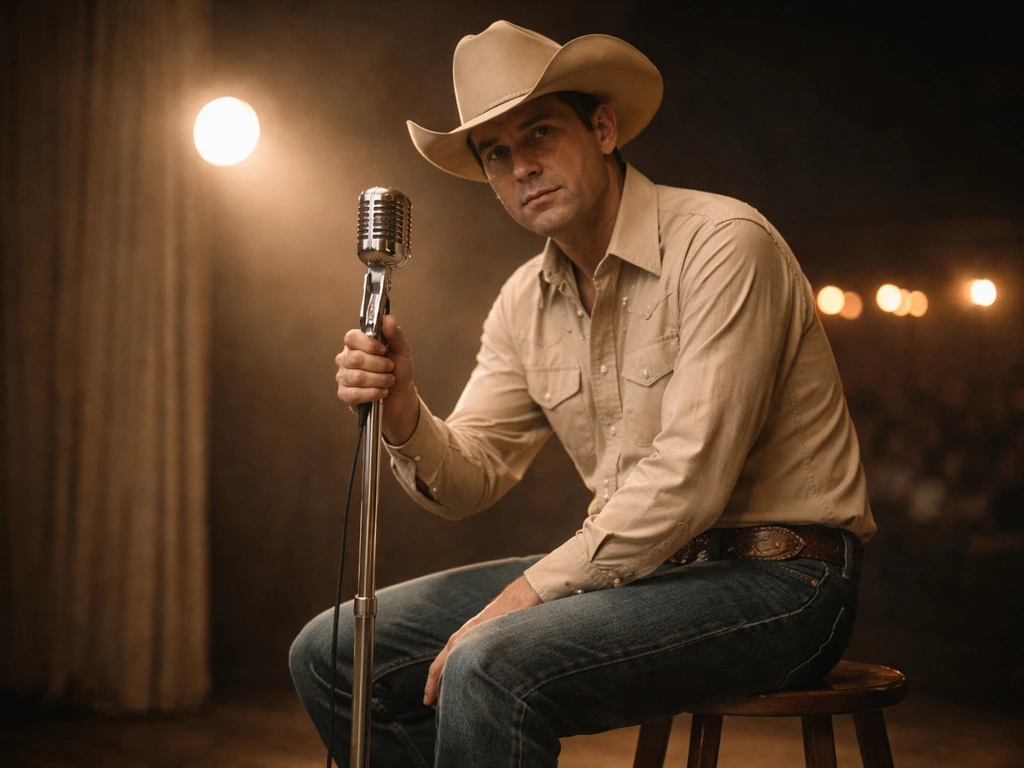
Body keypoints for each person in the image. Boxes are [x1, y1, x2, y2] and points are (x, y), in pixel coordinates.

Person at [290, 20, 875, 768]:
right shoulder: (522, 302)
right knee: (333, 649)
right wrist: (403, 408)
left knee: (490, 659)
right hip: (645, 576)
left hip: (785, 584)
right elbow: (472, 477)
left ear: (602, 128)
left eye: (539, 134)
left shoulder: (725, 243)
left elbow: (688, 480)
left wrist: (522, 599)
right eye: (496, 154)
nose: (521, 167)